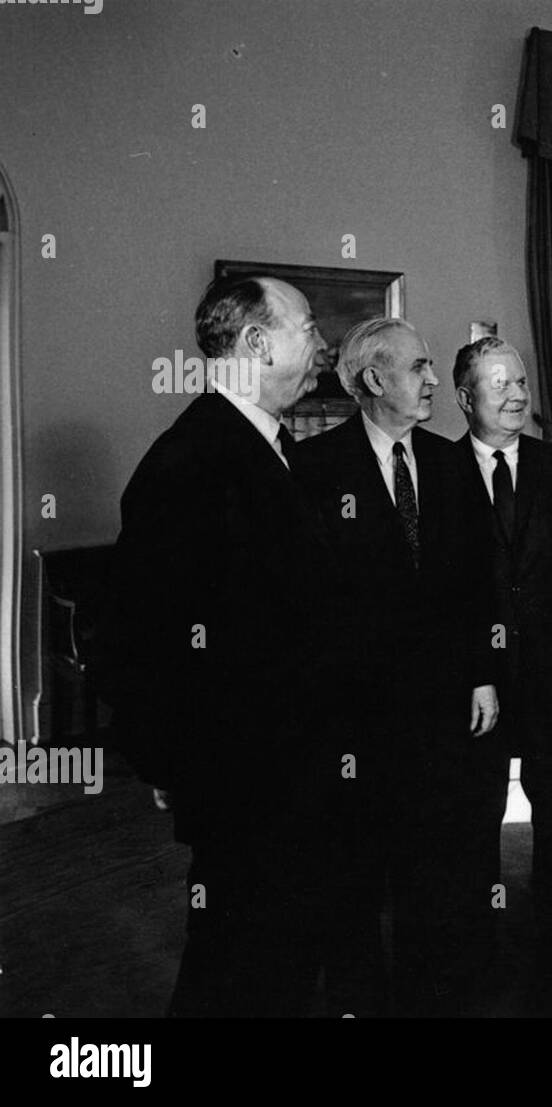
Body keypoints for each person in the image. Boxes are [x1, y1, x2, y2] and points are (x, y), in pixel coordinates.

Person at [97, 274, 346, 1016]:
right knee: (238, 971)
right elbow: (136, 637)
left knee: (273, 964)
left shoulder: (265, 446)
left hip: (284, 772)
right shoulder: (194, 460)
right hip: (247, 782)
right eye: (307, 328)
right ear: (257, 342)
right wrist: (182, 766)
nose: (320, 344)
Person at [294, 316, 500, 1016]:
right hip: (353, 718)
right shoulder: (314, 470)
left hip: (441, 713)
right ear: (375, 379)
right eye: (419, 368)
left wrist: (480, 672)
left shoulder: (448, 463)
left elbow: (480, 580)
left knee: (432, 871)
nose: (434, 380)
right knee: (352, 870)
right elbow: (304, 603)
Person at [452, 336, 552, 1001]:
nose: (517, 394)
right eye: (499, 385)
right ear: (465, 398)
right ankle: (474, 946)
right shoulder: (437, 471)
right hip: (477, 677)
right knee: (472, 813)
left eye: (520, 381)